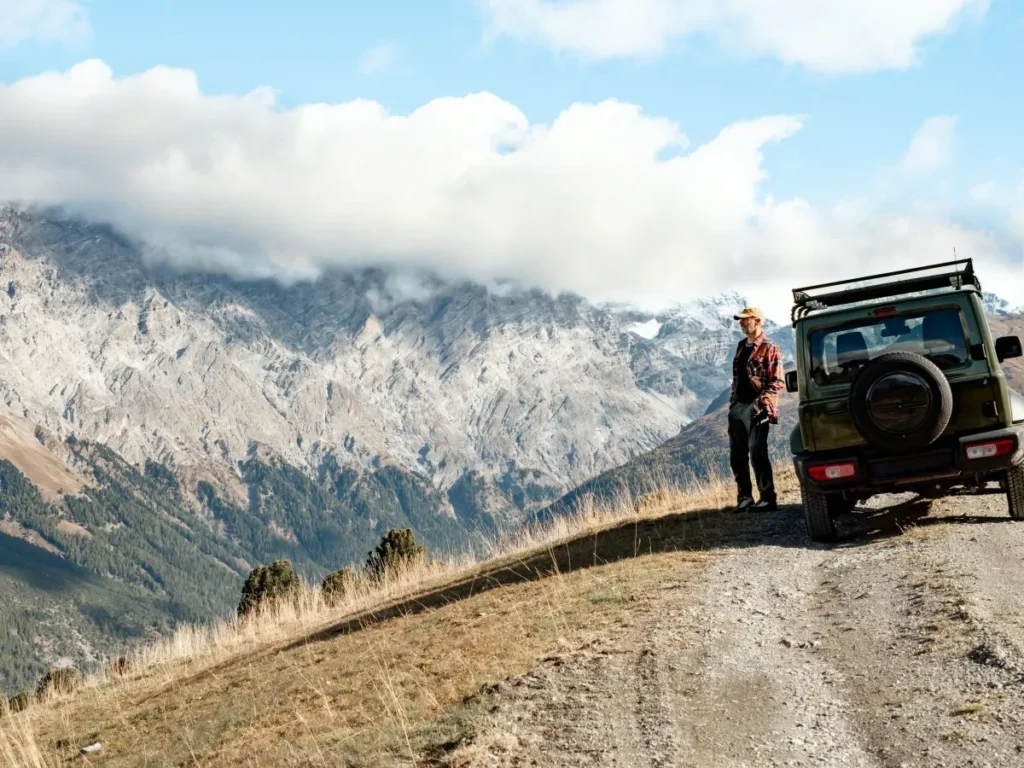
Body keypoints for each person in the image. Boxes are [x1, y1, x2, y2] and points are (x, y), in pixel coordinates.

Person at [728, 306, 784, 512]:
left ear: (757, 321)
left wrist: (761, 402)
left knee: (757, 452)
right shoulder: (741, 346)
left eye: (745, 320)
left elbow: (777, 381)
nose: (741, 323)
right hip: (738, 407)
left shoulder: (770, 347)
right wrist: (733, 404)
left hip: (757, 407)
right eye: (740, 320)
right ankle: (744, 498)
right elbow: (737, 379)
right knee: (737, 455)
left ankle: (768, 498)